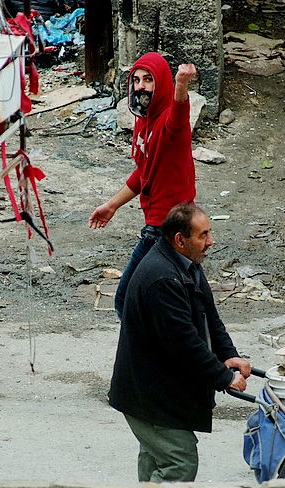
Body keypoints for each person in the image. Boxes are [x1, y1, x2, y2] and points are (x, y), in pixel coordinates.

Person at [108, 203, 252, 482]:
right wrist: (223, 377)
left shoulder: (187, 264)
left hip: (155, 390)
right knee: (180, 461)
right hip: (148, 395)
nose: (211, 241)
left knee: (156, 460)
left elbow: (210, 317)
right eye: (203, 235)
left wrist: (229, 355)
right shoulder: (163, 278)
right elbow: (183, 343)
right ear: (180, 240)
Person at [89, 52, 198, 319]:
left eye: (148, 80)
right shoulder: (143, 123)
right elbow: (143, 173)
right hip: (163, 226)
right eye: (136, 80)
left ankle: (145, 357)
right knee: (185, 305)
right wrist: (112, 205)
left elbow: (179, 111)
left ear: (161, 83)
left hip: (166, 227)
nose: (140, 86)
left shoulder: (171, 124)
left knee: (127, 299)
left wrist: (181, 84)